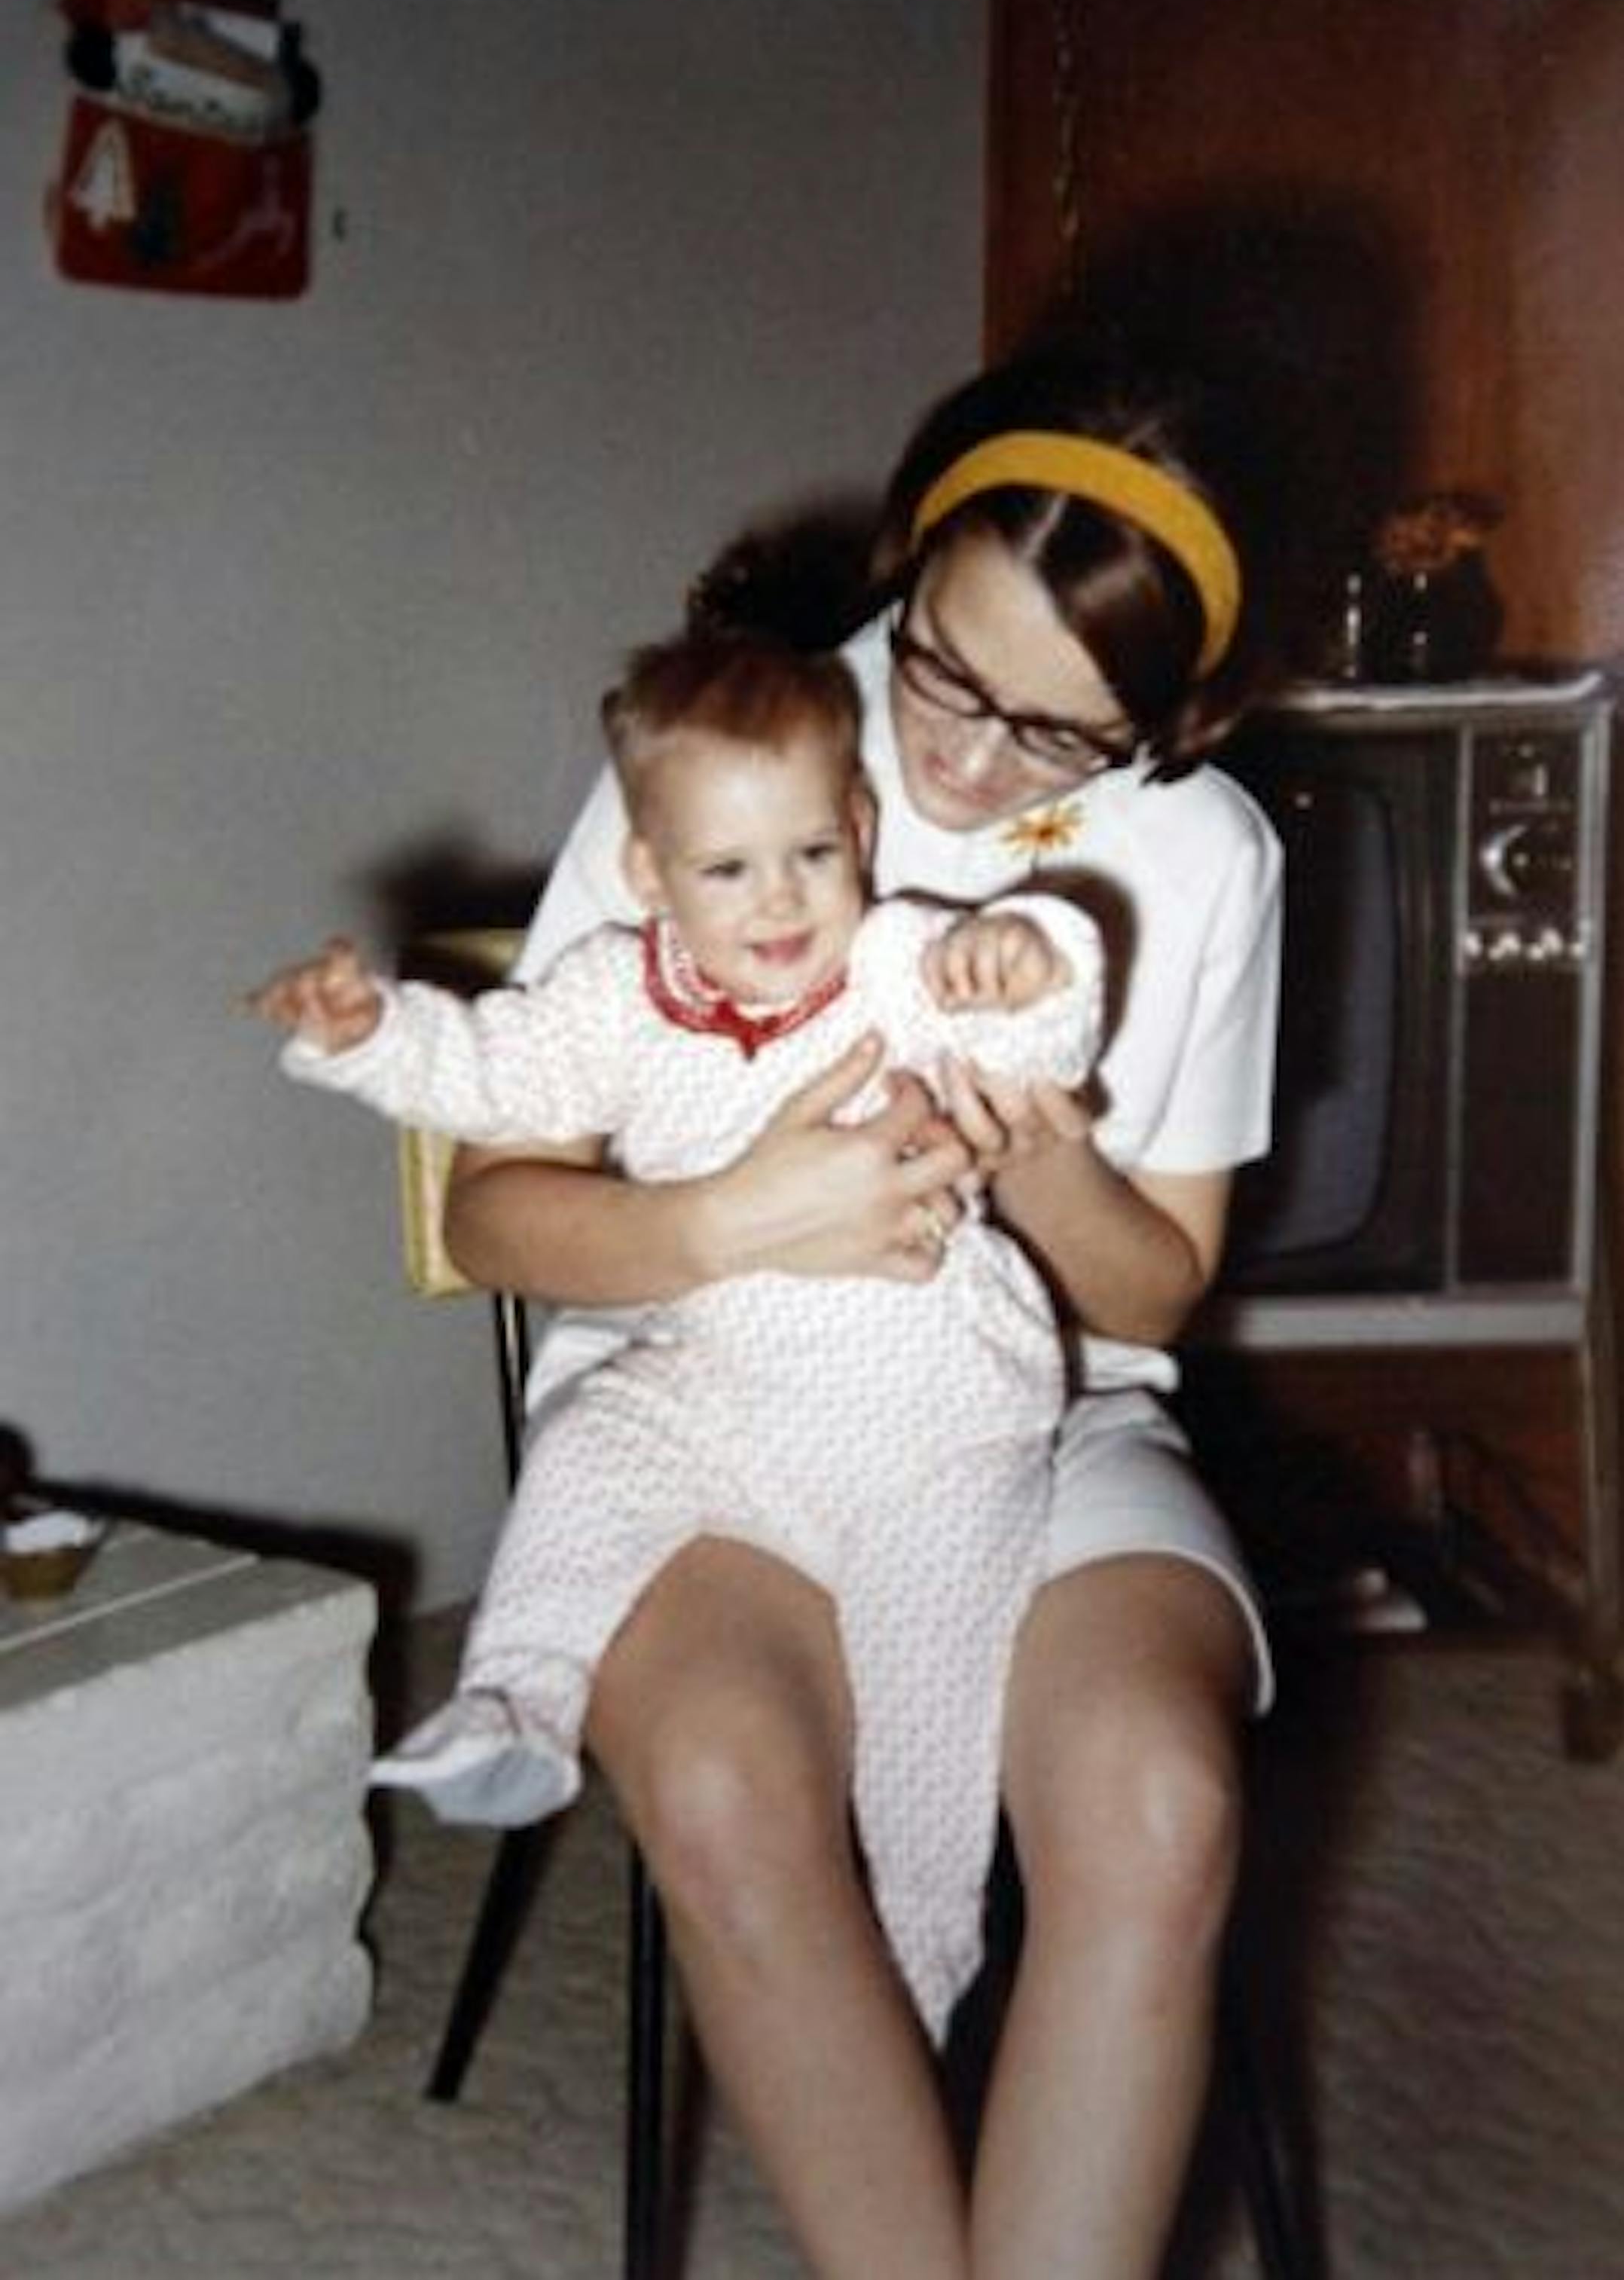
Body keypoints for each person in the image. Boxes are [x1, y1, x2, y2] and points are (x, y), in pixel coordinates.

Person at [445, 341, 1284, 2279]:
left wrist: (1043, 1160)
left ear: (1175, 717)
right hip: (700, 1388)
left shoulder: (1206, 854)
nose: (969, 769)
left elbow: (1157, 1290)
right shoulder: (736, 747)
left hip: (1045, 1410)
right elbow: (495, 1213)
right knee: (726, 1782)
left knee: (1157, 1804)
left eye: (1061, 736)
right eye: (945, 672)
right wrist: (735, 1216)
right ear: (908, 561)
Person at [252, 629, 1106, 2037]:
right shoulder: (609, 993)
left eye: (812, 854)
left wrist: (1031, 962)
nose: (781, 900)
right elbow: (490, 1073)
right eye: (727, 869)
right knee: (593, 1442)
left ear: (860, 831)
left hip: (937, 1425)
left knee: (930, 1706)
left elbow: (1036, 1037)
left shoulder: (898, 960)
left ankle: (926, 1946)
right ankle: (518, 1697)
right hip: (723, 1392)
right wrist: (368, 1036)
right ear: (648, 874)